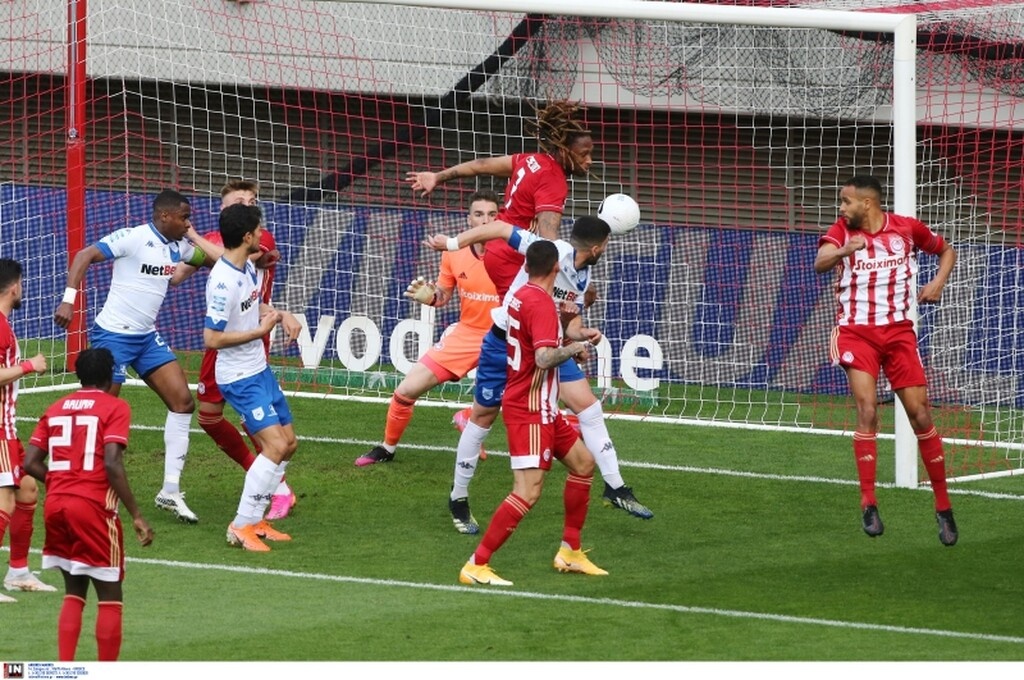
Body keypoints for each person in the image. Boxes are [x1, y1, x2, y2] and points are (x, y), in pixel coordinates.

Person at [426, 215, 654, 530]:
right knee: (482, 418)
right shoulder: (551, 250)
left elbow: (570, 323)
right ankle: (458, 497)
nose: (605, 250)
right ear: (597, 248)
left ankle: (616, 487)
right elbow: (500, 228)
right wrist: (452, 243)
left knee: (589, 407)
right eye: (606, 246)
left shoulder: (583, 277)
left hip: (546, 345)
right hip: (505, 345)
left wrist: (581, 334)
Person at [54, 189, 220, 525]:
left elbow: (215, 261)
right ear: (164, 216)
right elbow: (84, 255)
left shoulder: (180, 246)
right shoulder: (133, 237)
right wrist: (69, 300)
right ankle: (80, 485)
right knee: (102, 413)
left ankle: (170, 490)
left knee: (183, 403)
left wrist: (215, 251)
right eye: (184, 217)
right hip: (113, 336)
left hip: (145, 338)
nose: (188, 223)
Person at [814, 175, 958, 546]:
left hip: (898, 335)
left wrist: (938, 282)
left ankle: (943, 507)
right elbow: (820, 262)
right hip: (856, 333)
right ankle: (869, 503)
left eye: (846, 201)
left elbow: (947, 250)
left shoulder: (907, 229)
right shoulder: (841, 231)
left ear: (867, 203)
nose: (841, 208)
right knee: (867, 410)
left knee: (920, 415)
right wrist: (844, 251)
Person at [459, 240, 606, 587]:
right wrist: (574, 347)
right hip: (529, 407)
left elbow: (536, 343)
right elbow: (542, 358)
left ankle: (570, 552)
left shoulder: (522, 295)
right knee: (527, 491)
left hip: (543, 405)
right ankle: (476, 564)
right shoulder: (539, 303)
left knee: (584, 464)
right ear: (556, 268)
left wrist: (566, 338)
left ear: (526, 268)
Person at [353, 191, 501, 486]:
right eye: (479, 214)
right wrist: (430, 296)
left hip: (505, 335)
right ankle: (387, 448)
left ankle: (469, 416)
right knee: (406, 390)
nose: (486, 220)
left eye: (492, 214)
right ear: (468, 219)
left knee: (528, 390)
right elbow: (443, 295)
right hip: (468, 333)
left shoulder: (512, 252)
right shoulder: (453, 251)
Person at [174, 180, 300, 520]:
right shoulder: (226, 261)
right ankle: (263, 486)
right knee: (212, 418)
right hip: (235, 344)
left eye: (252, 200)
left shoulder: (257, 240)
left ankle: (269, 485)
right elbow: (178, 275)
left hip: (249, 342)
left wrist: (194, 238)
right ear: (223, 212)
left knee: (279, 438)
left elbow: (229, 260)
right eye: (240, 202)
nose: (249, 206)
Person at [22, 347, 155, 660]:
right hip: (93, 508)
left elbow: (29, 462)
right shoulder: (115, 407)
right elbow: (111, 462)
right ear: (110, 377)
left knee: (74, 592)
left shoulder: (56, 407)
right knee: (110, 595)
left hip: (56, 507)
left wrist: (60, 481)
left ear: (79, 375)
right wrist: (137, 514)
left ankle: (65, 668)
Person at [205, 203, 298, 552]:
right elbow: (212, 338)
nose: (263, 234)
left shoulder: (245, 267)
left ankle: (256, 519)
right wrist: (259, 332)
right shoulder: (223, 282)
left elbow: (250, 306)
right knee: (274, 446)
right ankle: (241, 524)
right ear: (246, 236)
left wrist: (280, 314)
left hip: (258, 369)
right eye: (258, 230)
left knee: (288, 443)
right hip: (239, 376)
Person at [0, 259, 52, 602]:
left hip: (8, 428)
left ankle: (18, 572)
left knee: (28, 489)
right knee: (5, 499)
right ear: (14, 286)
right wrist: (28, 366)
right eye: (22, 284)